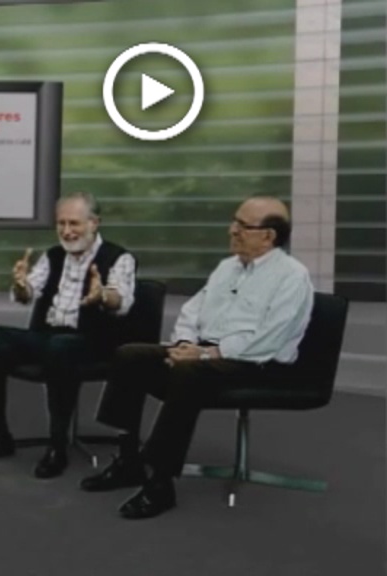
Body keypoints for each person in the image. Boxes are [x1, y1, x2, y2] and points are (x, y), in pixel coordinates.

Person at [80, 196, 314, 520]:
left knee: (188, 374)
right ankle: (128, 460)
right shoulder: (227, 268)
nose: (231, 230)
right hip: (206, 353)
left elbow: (269, 340)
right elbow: (193, 311)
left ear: (268, 236)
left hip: (258, 364)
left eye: (242, 226)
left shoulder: (292, 277)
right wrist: (184, 345)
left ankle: (161, 482)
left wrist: (205, 354)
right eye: (234, 221)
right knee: (130, 355)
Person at [0, 192, 138, 478]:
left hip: (93, 341)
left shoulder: (119, 258)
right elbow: (28, 294)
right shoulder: (53, 256)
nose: (66, 231)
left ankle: (57, 445)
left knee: (61, 347)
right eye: (61, 224)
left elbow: (123, 301)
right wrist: (21, 286)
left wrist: (102, 295)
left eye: (74, 223)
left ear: (94, 223)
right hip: (48, 337)